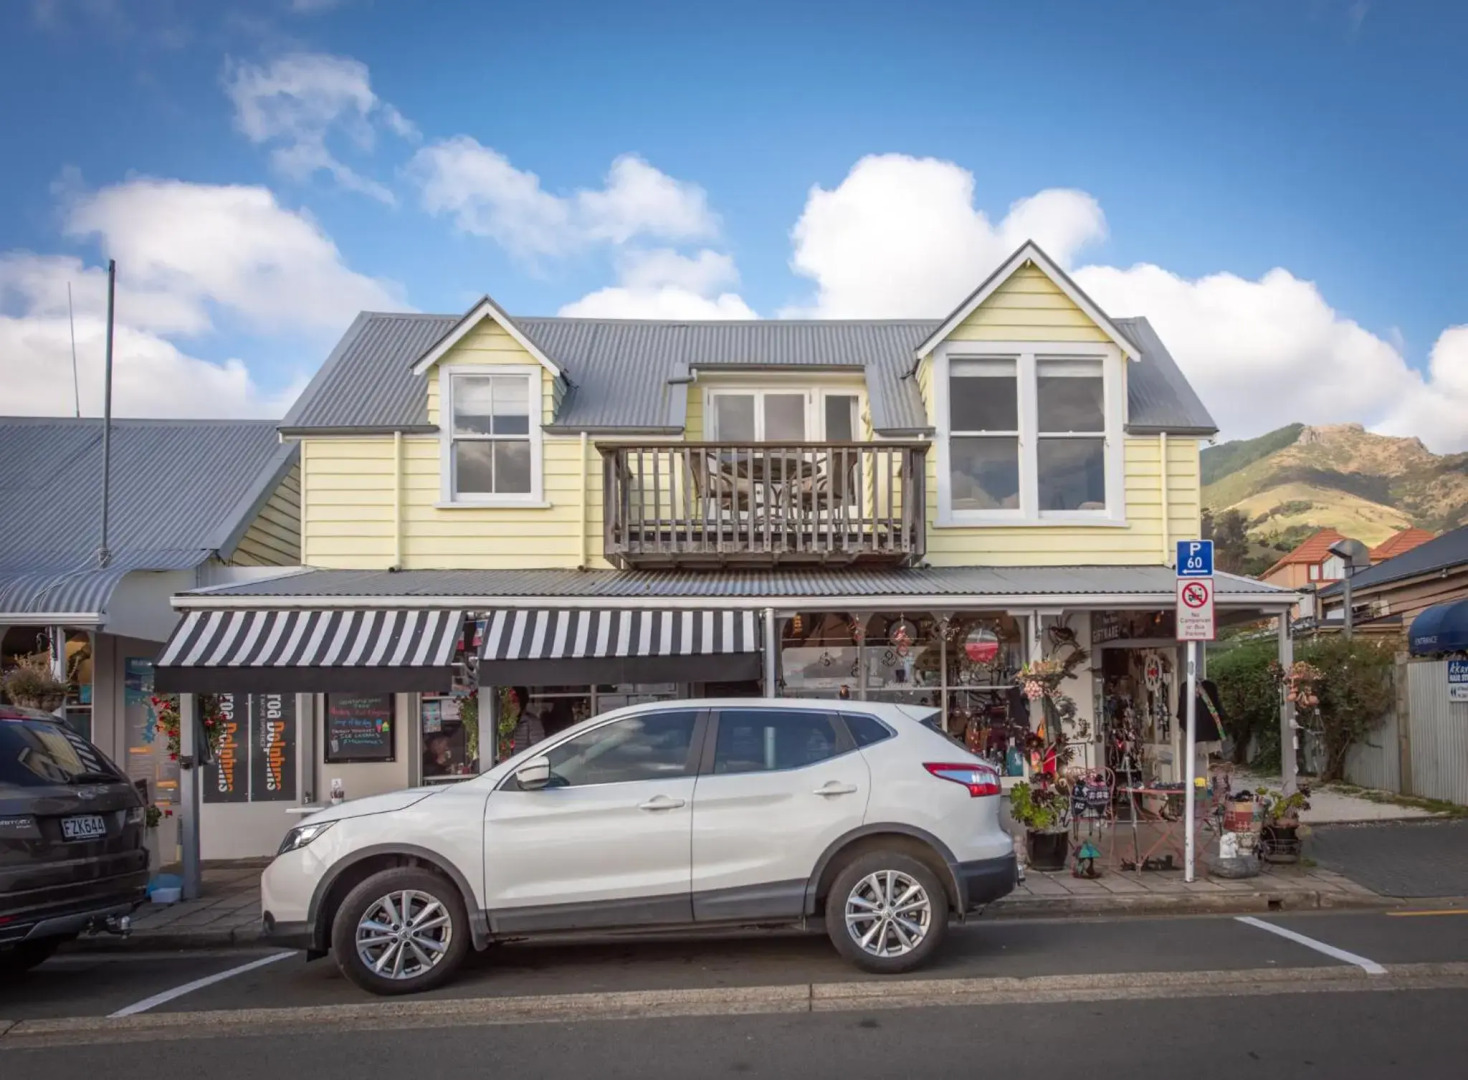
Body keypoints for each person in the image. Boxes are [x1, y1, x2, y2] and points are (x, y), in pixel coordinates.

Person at [508, 686, 545, 754]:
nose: (512, 705)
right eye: (509, 702)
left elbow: (539, 750)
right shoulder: (504, 722)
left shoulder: (532, 722)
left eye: (515, 701)